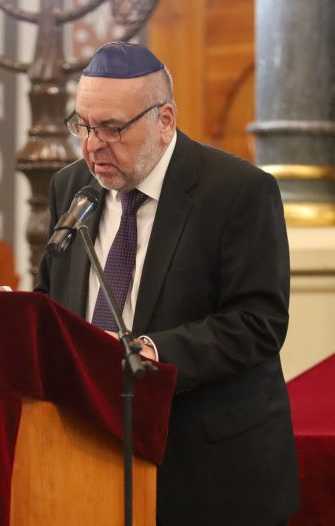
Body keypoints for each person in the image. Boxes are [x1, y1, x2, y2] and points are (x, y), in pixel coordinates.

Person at [35, 41, 299, 526]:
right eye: (83, 125)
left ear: (165, 120)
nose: (93, 145)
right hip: (88, 453)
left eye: (112, 128)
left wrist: (151, 351)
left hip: (208, 469)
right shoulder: (70, 186)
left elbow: (258, 322)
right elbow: (51, 298)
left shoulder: (238, 191)